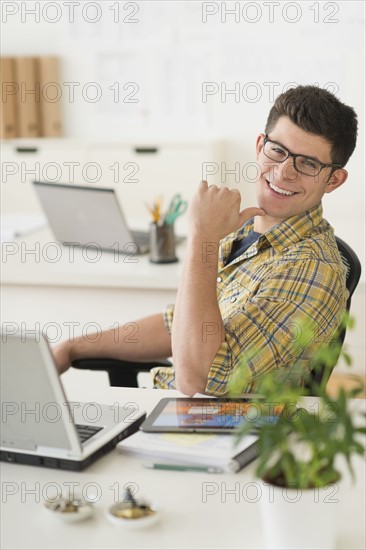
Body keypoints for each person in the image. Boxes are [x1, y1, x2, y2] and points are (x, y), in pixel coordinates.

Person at [53, 85, 358, 396]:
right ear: (259, 147)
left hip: (225, 431)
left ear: (333, 179)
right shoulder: (249, 231)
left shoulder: (310, 270)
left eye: (308, 164)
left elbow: (196, 379)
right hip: (177, 413)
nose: (283, 172)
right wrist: (72, 347)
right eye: (277, 151)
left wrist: (203, 237)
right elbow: (177, 325)